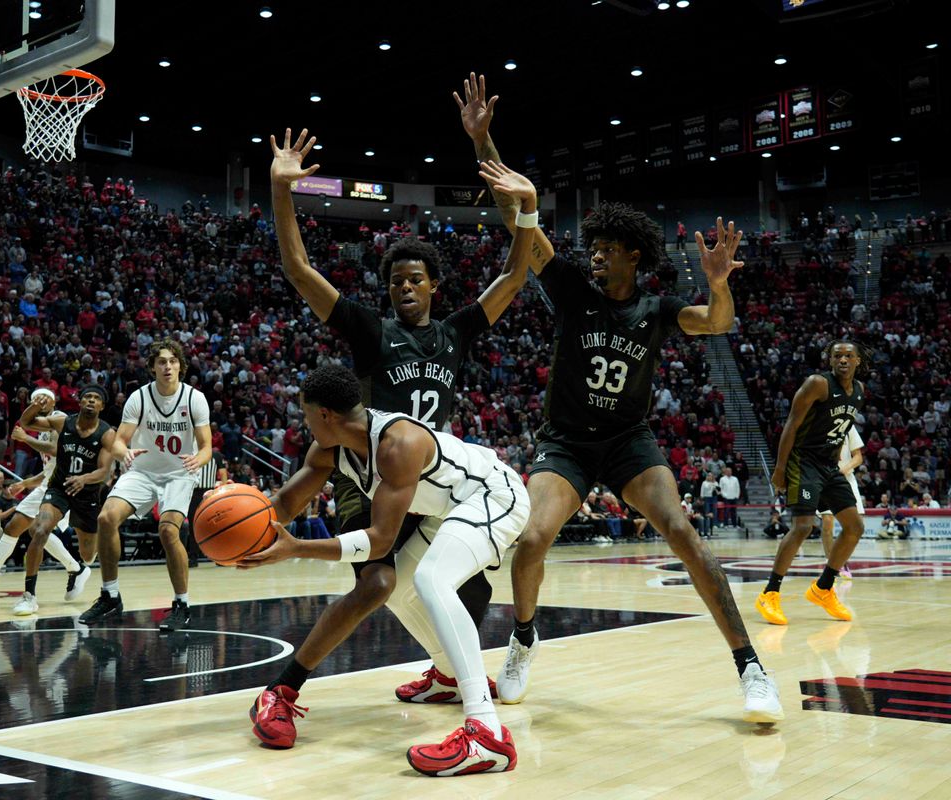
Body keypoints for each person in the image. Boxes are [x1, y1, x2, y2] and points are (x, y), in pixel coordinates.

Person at [466, 72, 780, 723]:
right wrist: (481, 137)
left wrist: (718, 283)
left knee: (687, 535)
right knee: (531, 542)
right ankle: (523, 638)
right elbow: (518, 218)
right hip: (567, 445)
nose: (596, 258)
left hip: (630, 443)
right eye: (594, 250)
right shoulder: (571, 290)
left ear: (634, 256)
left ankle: (751, 666)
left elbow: (716, 322)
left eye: (607, 250)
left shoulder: (659, 309)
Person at [259, 122, 546, 710]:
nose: (404, 288)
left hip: (426, 478)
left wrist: (524, 214)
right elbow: (298, 271)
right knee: (380, 583)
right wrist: (282, 192)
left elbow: (516, 277)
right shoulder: (370, 330)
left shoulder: (455, 333)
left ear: (435, 285)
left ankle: (446, 676)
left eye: (415, 279)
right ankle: (286, 689)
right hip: (372, 472)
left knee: (467, 589)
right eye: (395, 281)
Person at [242, 365, 530, 777]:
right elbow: (284, 505)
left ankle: (487, 734)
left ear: (325, 414)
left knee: (432, 579)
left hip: (494, 494)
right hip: (447, 511)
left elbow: (378, 540)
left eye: (306, 414)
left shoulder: (399, 442)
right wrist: (238, 533)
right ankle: (447, 677)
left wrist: (297, 549)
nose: (302, 422)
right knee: (393, 588)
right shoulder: (329, 449)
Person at [82, 340, 210, 628]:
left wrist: (198, 461)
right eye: (161, 361)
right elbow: (118, 442)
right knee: (106, 518)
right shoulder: (139, 397)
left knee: (167, 531)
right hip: (142, 472)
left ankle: (181, 603)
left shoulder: (195, 399)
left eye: (173, 361)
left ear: (181, 366)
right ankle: (110, 595)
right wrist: (123, 453)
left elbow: (206, 447)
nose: (167, 366)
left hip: (179, 473)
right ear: (152, 367)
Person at [759, 342, 866, 625]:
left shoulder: (859, 392)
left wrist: (832, 465)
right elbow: (791, 425)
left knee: (855, 526)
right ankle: (770, 593)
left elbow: (839, 432)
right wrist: (780, 467)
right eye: (837, 356)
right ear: (830, 360)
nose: (843, 360)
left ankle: (823, 588)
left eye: (848, 356)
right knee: (804, 526)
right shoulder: (817, 384)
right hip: (802, 460)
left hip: (828, 465)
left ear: (858, 361)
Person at [0, 388, 92, 611]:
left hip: (66, 488)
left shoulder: (60, 419)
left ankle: (37, 590)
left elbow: (57, 451)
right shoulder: (41, 429)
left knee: (38, 532)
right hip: (46, 485)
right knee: (13, 527)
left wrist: (25, 439)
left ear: (52, 401)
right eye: (34, 400)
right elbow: (49, 469)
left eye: (42, 399)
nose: (38, 402)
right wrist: (24, 484)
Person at [10, 385, 119, 616]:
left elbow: (104, 472)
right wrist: (35, 405)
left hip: (87, 494)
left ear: (101, 406)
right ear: (79, 402)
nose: (90, 400)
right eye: (87, 396)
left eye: (96, 398)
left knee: (88, 555)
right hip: (59, 488)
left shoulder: (107, 433)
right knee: (39, 530)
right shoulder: (63, 422)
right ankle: (29, 596)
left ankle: (81, 567)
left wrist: (84, 479)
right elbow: (26, 422)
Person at [817, 425, 864, 583]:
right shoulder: (819, 424)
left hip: (846, 478)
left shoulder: (849, 426)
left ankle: (839, 560)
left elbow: (858, 457)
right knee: (827, 523)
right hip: (824, 479)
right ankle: (833, 566)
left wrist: (844, 469)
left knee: (855, 526)